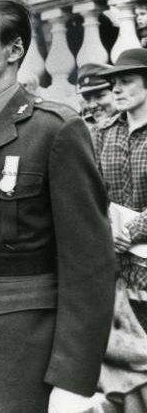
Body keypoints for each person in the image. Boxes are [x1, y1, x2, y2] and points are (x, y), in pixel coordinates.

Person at [0, 0, 116, 413]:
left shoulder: (56, 131)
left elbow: (89, 267)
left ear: (15, 49)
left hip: (27, 357)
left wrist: (73, 382)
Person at [92, 49, 147, 410]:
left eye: (126, 82)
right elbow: (92, 191)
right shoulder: (102, 134)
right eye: (114, 83)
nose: (117, 90)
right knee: (126, 362)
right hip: (115, 265)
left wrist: (137, 228)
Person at [76, 62, 118, 128]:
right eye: (87, 99)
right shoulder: (87, 128)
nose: (92, 105)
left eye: (100, 96)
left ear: (117, 93)